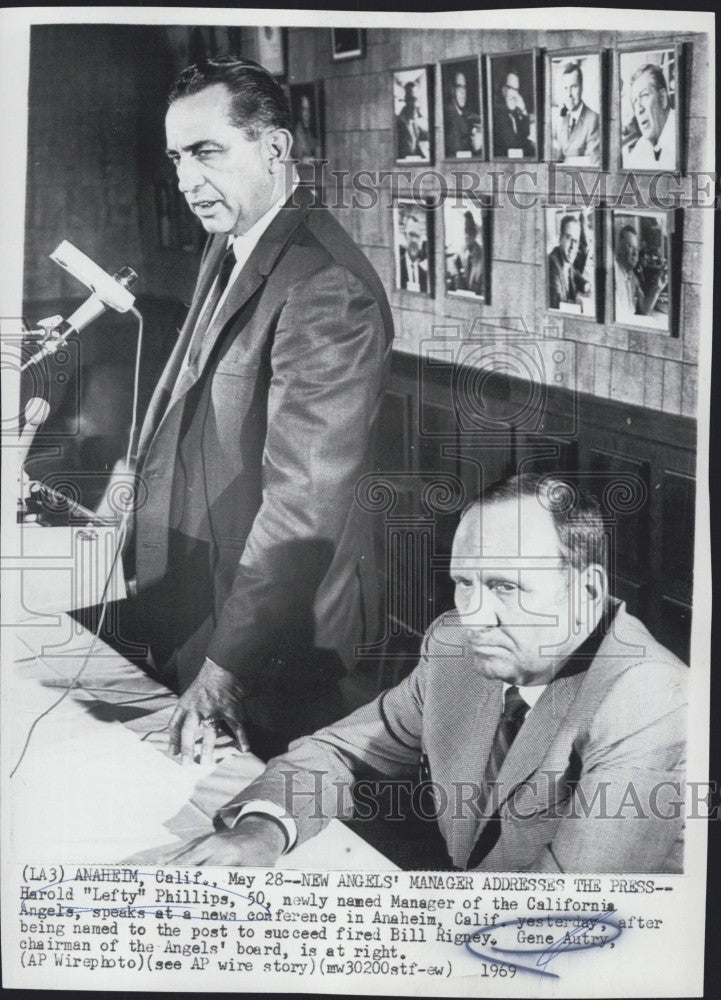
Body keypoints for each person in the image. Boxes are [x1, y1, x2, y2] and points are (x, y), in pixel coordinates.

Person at [152, 474, 688, 873]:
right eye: (465, 582)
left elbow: (562, 912)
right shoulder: (458, 645)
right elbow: (342, 752)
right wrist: (262, 831)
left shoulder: (649, 696)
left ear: (587, 591)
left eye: (505, 587)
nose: (475, 615)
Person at [126, 56, 394, 763]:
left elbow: (302, 506)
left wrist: (225, 667)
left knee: (279, 825)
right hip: (208, 601)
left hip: (281, 645)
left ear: (273, 148)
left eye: (206, 153)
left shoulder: (326, 285)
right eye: (177, 158)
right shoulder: (233, 239)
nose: (185, 181)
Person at [624, 63, 677, 170]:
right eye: (634, 102)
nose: (638, 109)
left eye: (644, 96)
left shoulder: (686, 136)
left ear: (662, 98)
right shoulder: (643, 145)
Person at [614, 223, 667, 323]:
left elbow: (644, 309)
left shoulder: (633, 277)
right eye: (630, 246)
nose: (635, 253)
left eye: (636, 249)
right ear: (619, 245)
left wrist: (657, 288)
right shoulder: (613, 273)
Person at [554, 62, 600, 165]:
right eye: (566, 88)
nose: (569, 94)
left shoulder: (594, 119)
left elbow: (593, 163)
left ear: (581, 87)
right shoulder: (564, 120)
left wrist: (565, 161)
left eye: (573, 87)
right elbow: (559, 158)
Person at [548, 214, 591, 310]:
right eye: (568, 238)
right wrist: (579, 304)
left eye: (575, 241)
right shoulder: (552, 263)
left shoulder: (567, 263)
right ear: (560, 238)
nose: (572, 246)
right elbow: (557, 303)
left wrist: (585, 285)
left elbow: (575, 274)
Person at [493, 69, 535, 157]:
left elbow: (525, 137)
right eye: (511, 89)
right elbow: (514, 144)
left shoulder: (516, 115)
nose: (515, 95)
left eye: (516, 90)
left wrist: (523, 109)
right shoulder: (496, 116)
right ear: (504, 90)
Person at [449, 210, 484, 297]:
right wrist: (456, 275)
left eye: (470, 230)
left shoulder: (482, 255)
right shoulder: (460, 252)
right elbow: (451, 263)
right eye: (465, 231)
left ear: (475, 232)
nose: (467, 235)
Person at [396, 80, 429, 159]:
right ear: (406, 99)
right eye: (411, 99)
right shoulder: (400, 121)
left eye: (416, 100)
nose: (415, 104)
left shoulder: (422, 119)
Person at [398, 209, 428, 293]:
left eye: (417, 236)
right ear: (405, 236)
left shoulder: (424, 274)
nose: (414, 240)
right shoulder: (397, 268)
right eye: (411, 234)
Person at [444, 70, 472, 156]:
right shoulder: (450, 114)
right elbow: (456, 152)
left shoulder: (461, 112)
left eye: (464, 87)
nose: (463, 92)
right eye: (459, 87)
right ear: (452, 90)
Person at [292, 93, 317, 161]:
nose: (307, 114)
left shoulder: (310, 134)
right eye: (304, 109)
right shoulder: (295, 135)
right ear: (299, 112)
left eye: (308, 110)